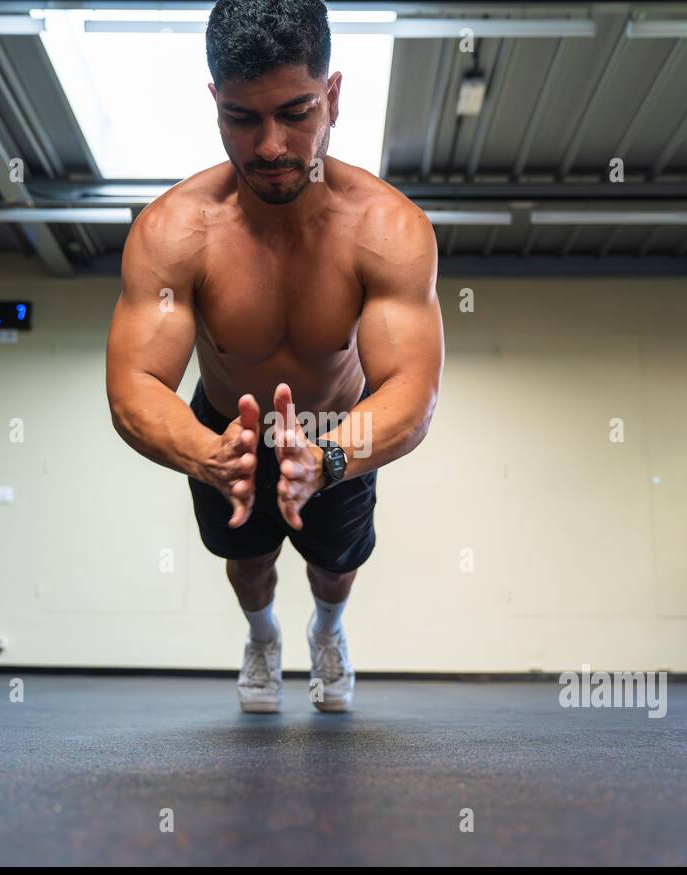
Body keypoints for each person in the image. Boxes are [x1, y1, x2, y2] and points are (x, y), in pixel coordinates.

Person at [106, 0, 444, 713]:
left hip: (342, 427)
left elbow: (411, 389)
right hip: (225, 425)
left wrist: (328, 457)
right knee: (248, 561)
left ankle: (327, 629)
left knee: (333, 564)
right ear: (213, 105)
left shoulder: (386, 229)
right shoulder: (175, 231)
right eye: (241, 118)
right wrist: (205, 453)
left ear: (334, 97)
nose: (269, 146)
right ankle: (263, 636)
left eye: (296, 112)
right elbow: (135, 382)